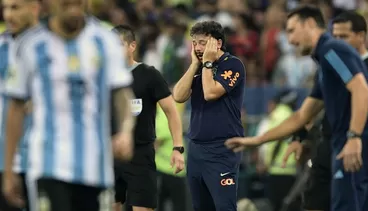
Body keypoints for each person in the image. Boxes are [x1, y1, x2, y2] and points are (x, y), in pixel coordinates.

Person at [226, 6, 368, 211]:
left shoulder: (332, 50)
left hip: (353, 145)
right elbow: (303, 115)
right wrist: (257, 140)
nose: (290, 40)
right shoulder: (326, 61)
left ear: (310, 25)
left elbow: (361, 89)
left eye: (292, 30)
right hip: (339, 144)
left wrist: (354, 137)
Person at [2, 0, 135, 210]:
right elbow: (15, 108)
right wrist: (8, 171)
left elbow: (122, 95)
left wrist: (126, 131)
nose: (73, 6)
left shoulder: (105, 41)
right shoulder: (31, 45)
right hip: (48, 166)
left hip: (96, 170)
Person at [283, 11, 368, 211]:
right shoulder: (329, 61)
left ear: (361, 36)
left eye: (344, 36)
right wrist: (299, 136)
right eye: (335, 36)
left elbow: (362, 94)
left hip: (358, 146)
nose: (339, 41)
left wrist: (355, 136)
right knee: (311, 203)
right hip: (328, 143)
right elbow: (314, 106)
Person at [173, 20, 246, 211]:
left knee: (224, 207)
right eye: (194, 43)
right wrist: (194, 65)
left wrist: (206, 63)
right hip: (196, 149)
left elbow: (211, 93)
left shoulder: (233, 65)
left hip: (221, 150)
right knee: (200, 208)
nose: (197, 47)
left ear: (218, 44)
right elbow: (178, 96)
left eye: (203, 43)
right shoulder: (198, 67)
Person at [111, 25, 185, 211]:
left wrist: (178, 148)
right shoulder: (105, 78)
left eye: (119, 45)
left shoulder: (149, 75)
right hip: (110, 155)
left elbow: (171, 112)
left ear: (132, 46)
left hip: (141, 156)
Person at [0, 0, 39, 210]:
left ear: (34, 8)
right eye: (5, 8)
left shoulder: (50, 47)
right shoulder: (2, 48)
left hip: (41, 160)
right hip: (5, 159)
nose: (8, 15)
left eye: (15, 8)